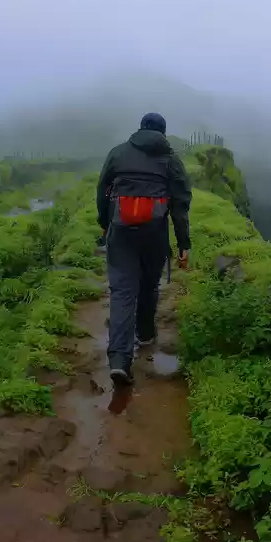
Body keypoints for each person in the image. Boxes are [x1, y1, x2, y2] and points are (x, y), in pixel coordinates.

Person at [97, 112, 192, 385]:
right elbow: (180, 205)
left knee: (122, 291)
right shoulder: (171, 160)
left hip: (121, 231)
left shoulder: (118, 153)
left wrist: (104, 224)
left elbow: (102, 189)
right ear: (163, 133)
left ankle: (119, 360)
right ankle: (146, 333)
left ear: (140, 129)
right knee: (149, 286)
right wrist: (183, 243)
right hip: (154, 234)